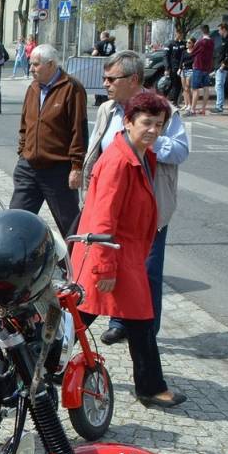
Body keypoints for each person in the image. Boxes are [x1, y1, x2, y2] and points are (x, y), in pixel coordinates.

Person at [72, 91, 185, 409]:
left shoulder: (141, 154)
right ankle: (151, 388)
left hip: (124, 253)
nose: (153, 130)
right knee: (133, 317)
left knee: (84, 314)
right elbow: (103, 218)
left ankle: (43, 361)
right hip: (111, 254)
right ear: (128, 122)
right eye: (147, 123)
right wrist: (105, 268)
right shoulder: (119, 161)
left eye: (158, 124)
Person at [82, 49, 189, 344]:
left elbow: (181, 151)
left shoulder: (164, 110)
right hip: (112, 202)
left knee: (146, 271)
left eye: (111, 78)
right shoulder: (107, 109)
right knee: (107, 265)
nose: (105, 83)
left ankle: (145, 332)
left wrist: (147, 139)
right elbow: (96, 147)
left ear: (133, 79)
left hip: (147, 207)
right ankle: (118, 322)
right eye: (105, 78)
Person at [10, 43, 88, 237]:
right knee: (14, 222)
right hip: (29, 167)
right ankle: (19, 256)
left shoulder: (71, 88)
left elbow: (78, 129)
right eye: (31, 64)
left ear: (51, 64)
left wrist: (77, 166)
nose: (31, 68)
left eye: (36, 64)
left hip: (57, 169)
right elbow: (25, 124)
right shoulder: (33, 87)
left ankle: (76, 256)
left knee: (69, 225)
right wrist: (23, 153)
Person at [190, 24, 214, 116]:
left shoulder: (200, 42)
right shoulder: (212, 42)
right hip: (207, 68)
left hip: (198, 66)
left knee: (195, 89)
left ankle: (192, 109)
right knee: (206, 88)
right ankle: (203, 109)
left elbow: (192, 53)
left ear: (202, 31)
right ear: (208, 31)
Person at [212, 23, 228, 114]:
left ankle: (219, 106)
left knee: (219, 86)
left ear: (224, 29)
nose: (219, 32)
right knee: (218, 86)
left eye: (219, 30)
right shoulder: (225, 40)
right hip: (219, 65)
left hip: (222, 66)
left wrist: (223, 65)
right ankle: (219, 105)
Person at [92, 31, 116, 105]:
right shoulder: (112, 44)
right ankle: (105, 99)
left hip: (99, 65)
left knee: (98, 82)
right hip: (109, 66)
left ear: (102, 36)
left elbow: (94, 54)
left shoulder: (99, 43)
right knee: (107, 81)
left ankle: (98, 100)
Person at [163, 27, 185, 106]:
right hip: (173, 68)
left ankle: (175, 102)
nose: (181, 36)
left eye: (182, 34)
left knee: (178, 85)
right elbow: (165, 56)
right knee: (172, 84)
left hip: (180, 67)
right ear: (177, 34)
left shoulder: (183, 44)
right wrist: (167, 68)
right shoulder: (170, 44)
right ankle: (163, 97)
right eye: (180, 34)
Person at [179, 36, 196, 112]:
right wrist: (180, 68)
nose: (187, 44)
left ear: (193, 44)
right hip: (183, 70)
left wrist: (185, 64)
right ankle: (186, 104)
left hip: (190, 70)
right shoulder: (184, 52)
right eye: (187, 42)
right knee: (184, 88)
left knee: (187, 87)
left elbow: (193, 60)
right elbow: (181, 60)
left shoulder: (194, 52)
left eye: (189, 42)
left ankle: (190, 104)